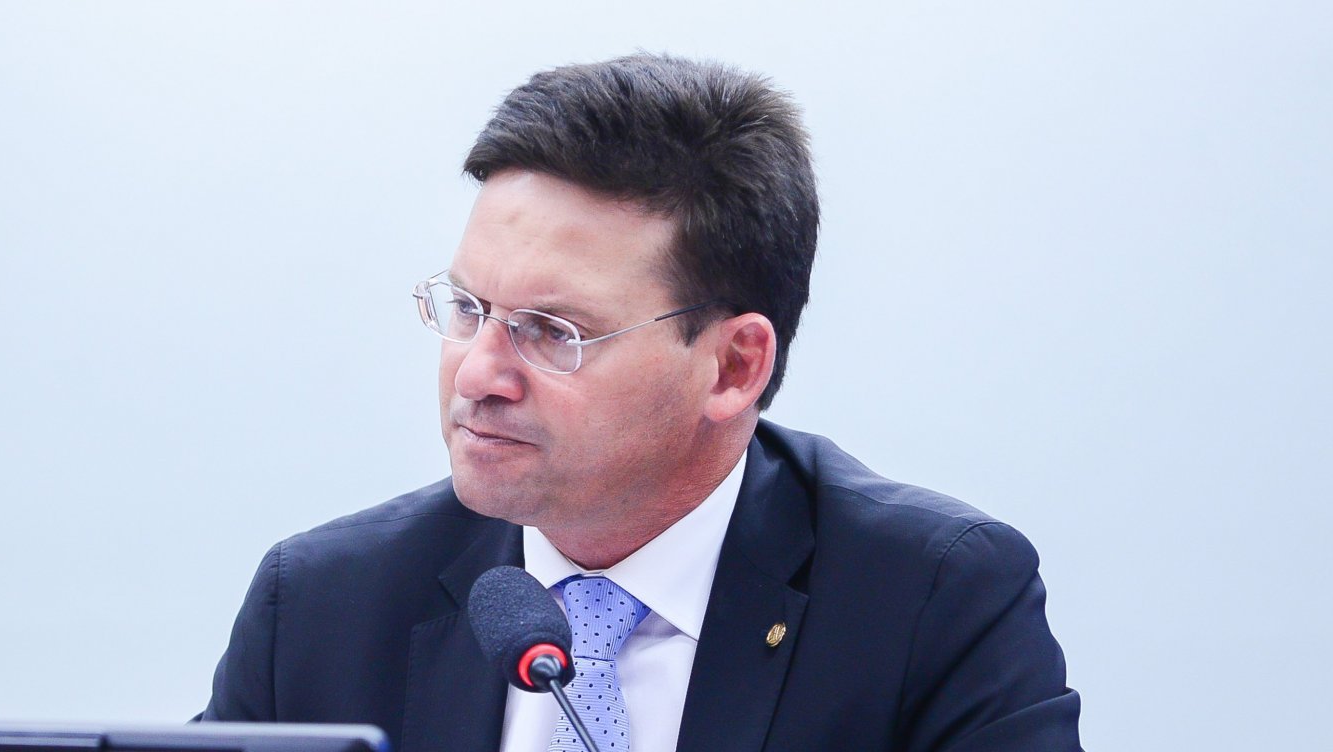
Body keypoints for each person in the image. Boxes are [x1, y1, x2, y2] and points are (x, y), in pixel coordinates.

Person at [199, 54, 1082, 752]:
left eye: (552, 332)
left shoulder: (931, 605)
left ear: (733, 367)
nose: (477, 375)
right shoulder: (320, 609)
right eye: (467, 309)